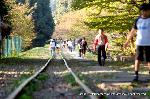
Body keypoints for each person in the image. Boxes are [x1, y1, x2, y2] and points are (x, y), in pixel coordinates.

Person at [124, 3, 150, 81]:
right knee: (137, 59)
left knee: (149, 60)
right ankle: (136, 75)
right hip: (139, 43)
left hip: (149, 43)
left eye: (146, 11)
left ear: (149, 11)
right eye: (142, 11)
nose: (144, 12)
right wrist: (127, 41)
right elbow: (132, 31)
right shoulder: (137, 20)